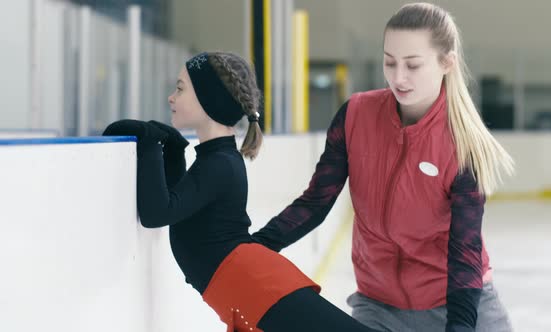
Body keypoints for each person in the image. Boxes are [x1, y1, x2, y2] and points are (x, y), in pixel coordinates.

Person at [251, 3, 515, 332]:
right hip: (378, 306)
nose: (398, 77)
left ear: (446, 62)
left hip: (455, 304)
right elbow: (315, 202)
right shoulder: (355, 116)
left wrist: (460, 326)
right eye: (389, 62)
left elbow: (465, 250)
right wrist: (255, 248)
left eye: (412, 65)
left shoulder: (463, 145)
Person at [102, 51, 380, 332]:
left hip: (253, 283)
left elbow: (156, 213)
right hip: (245, 284)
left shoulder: (219, 164)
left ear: (208, 99)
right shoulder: (217, 160)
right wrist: (173, 151)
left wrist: (150, 141)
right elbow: (176, 209)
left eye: (181, 89)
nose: (171, 97)